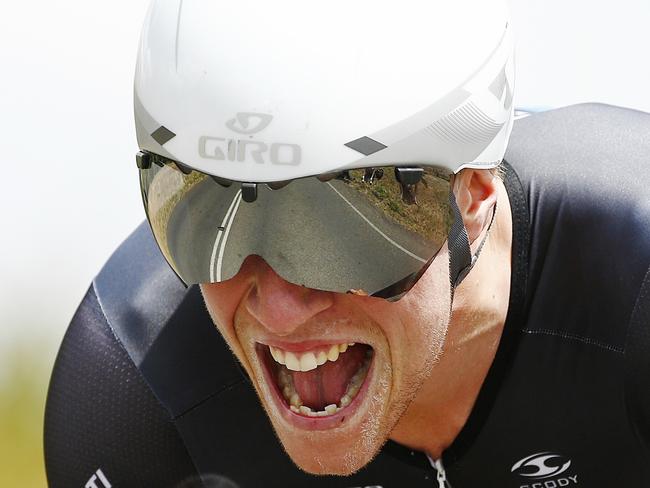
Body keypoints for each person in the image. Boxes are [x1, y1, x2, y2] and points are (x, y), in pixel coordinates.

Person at [44, 0, 650, 487]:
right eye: (212, 217)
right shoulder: (130, 397)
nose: (278, 309)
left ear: (472, 194)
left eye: (335, 232)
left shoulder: (635, 276)